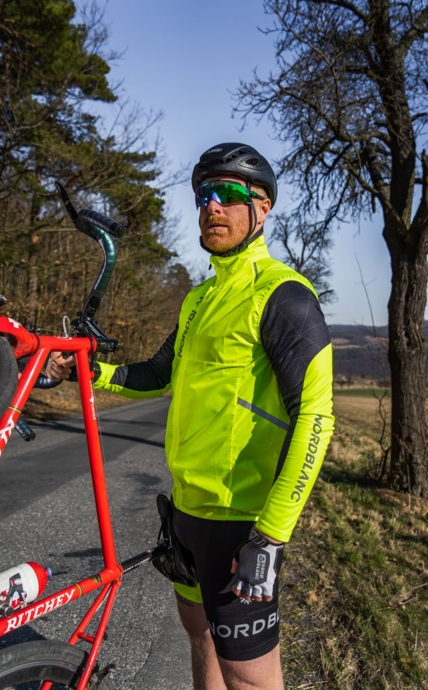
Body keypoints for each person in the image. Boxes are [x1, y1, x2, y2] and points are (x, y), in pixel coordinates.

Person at [47, 142, 334, 690]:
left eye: (228, 195)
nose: (212, 207)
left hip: (242, 524)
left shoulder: (285, 295)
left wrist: (270, 538)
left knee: (249, 675)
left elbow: (316, 419)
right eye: (204, 195)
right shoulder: (199, 300)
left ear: (263, 208)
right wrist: (86, 370)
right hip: (186, 512)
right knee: (199, 637)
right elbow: (158, 374)